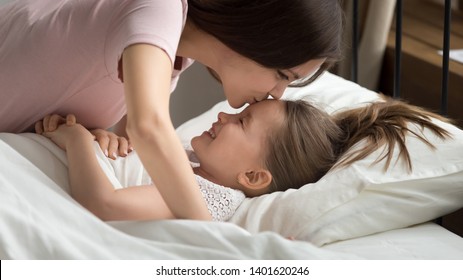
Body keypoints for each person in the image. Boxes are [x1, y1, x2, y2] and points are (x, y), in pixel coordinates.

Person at [1, 0, 343, 220]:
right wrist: (219, 249)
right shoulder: (157, 9)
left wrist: (98, 138)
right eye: (283, 75)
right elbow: (146, 127)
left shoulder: (176, 53)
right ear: (258, 37)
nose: (277, 93)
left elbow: (126, 142)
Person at [36, 96, 452, 222]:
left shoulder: (208, 196)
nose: (222, 113)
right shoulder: (185, 159)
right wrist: (103, 140)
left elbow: (104, 205)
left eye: (241, 121)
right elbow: (124, 168)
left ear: (253, 175)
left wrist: (75, 141)